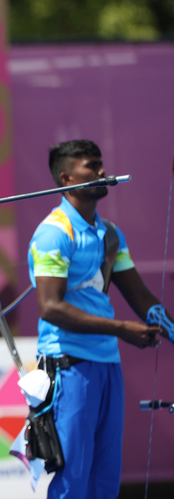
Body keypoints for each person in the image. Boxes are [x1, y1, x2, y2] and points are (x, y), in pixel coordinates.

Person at [28, 139, 171, 499]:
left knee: (105, 480)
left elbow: (140, 296)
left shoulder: (109, 233)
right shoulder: (54, 233)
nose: (103, 172)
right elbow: (51, 307)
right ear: (66, 178)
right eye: (91, 166)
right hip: (69, 366)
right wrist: (122, 329)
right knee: (73, 480)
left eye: (101, 164)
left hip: (107, 364)